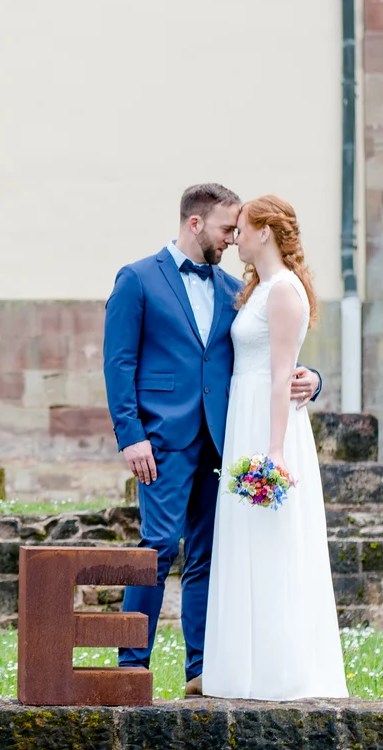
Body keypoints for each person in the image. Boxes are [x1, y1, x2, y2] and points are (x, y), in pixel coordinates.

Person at [101, 183, 320, 697]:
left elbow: (267, 353)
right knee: (156, 549)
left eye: (238, 230)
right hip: (160, 443)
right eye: (226, 229)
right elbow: (118, 363)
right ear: (195, 223)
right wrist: (130, 436)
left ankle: (201, 669)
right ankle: (132, 666)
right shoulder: (137, 279)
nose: (231, 240)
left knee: (206, 556)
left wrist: (312, 377)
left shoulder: (234, 292)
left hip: (222, 444)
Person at [199, 195, 347, 700]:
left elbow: (284, 374)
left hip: (269, 426)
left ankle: (281, 671)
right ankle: (242, 668)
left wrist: (276, 450)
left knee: (273, 542)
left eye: (240, 227)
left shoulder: (284, 290)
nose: (234, 236)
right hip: (246, 418)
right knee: (246, 544)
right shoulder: (256, 290)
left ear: (264, 231)